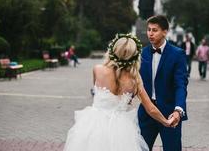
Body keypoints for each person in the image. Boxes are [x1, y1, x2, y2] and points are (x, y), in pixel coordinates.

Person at [63, 33, 176, 151]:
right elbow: (150, 108)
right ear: (135, 56)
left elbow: (95, 93)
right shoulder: (135, 79)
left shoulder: (97, 70)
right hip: (122, 129)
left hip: (94, 125)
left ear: (112, 50)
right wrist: (166, 121)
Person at [138, 15, 188, 151]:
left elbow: (180, 85)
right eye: (149, 30)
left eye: (155, 30)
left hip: (170, 114)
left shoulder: (178, 54)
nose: (150, 33)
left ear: (165, 32)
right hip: (146, 113)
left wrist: (178, 110)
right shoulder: (142, 54)